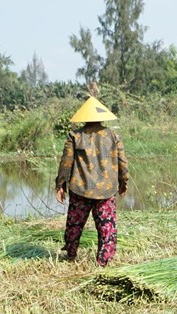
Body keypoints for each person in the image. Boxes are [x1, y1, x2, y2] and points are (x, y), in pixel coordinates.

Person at [55, 96, 129, 266]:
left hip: (80, 188)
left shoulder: (75, 136)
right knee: (107, 226)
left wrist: (60, 184)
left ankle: (71, 253)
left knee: (74, 223)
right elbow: (122, 162)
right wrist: (123, 181)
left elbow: (65, 163)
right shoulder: (113, 136)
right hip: (106, 190)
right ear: (102, 117)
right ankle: (103, 260)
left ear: (85, 117)